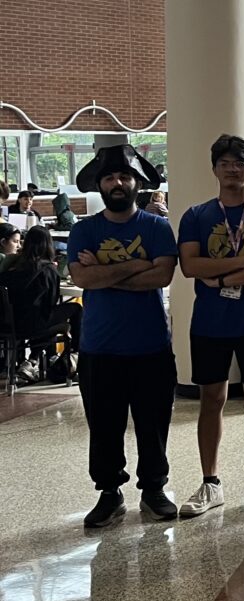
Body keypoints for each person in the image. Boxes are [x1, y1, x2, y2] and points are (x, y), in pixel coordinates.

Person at [177, 134, 244, 518]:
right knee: (212, 399)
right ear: (214, 170)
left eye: (239, 164)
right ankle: (211, 483)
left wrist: (221, 278)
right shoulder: (196, 216)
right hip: (210, 323)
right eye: (224, 163)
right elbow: (191, 266)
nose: (232, 170)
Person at [68, 144, 178, 527]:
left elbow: (162, 275)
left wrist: (106, 271)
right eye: (111, 177)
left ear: (137, 183)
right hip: (99, 348)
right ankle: (109, 492)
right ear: (100, 184)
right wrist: (138, 265)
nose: (118, 182)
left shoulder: (156, 227)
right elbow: (82, 279)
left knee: (153, 423)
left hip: (150, 346)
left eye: (125, 176)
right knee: (104, 426)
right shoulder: (84, 229)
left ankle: (154, 489)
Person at [0, 225, 83, 359]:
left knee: (42, 314)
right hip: (32, 326)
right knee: (76, 309)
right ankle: (75, 354)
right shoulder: (48, 269)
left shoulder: (13, 265)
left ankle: (35, 359)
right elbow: (50, 303)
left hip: (7, 325)